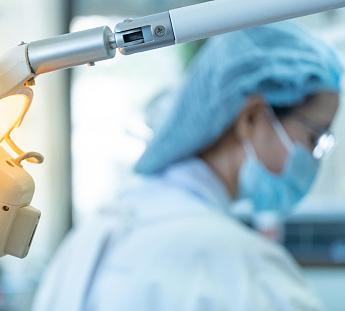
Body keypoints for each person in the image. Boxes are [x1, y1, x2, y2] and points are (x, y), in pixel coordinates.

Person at [32, 22, 343, 311]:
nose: (314, 155)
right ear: (252, 117)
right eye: (314, 136)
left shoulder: (96, 233)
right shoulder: (249, 272)